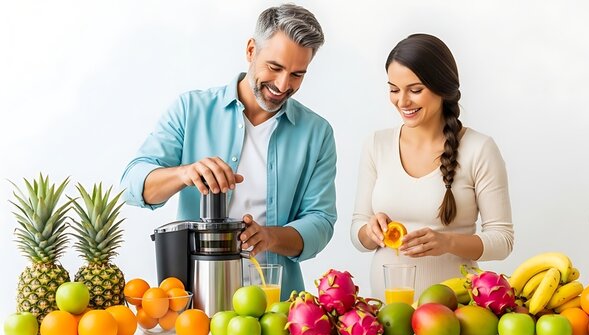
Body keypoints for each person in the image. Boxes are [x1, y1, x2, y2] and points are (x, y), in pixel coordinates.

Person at [120, 4, 337, 299]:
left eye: (297, 74)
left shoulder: (316, 133)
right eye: (274, 68)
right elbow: (133, 184)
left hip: (277, 307)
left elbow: (320, 221)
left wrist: (270, 236)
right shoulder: (190, 110)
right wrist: (185, 173)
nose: (283, 85)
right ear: (251, 50)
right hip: (195, 307)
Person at [350, 34, 514, 300]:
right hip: (386, 314)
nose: (402, 101)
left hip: (454, 314)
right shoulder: (376, 144)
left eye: (415, 90)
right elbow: (357, 232)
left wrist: (446, 242)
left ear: (442, 88)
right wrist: (370, 232)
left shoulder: (479, 148)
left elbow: (502, 240)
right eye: (394, 89)